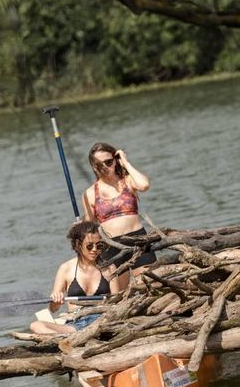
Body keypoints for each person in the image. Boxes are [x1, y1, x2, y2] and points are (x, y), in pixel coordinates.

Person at [81, 142, 158, 287]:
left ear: (115, 160)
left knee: (150, 284)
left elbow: (144, 185)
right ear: (93, 167)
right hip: (111, 246)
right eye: (99, 165)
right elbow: (90, 226)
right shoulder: (90, 193)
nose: (104, 167)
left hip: (138, 239)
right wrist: (81, 227)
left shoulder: (128, 181)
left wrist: (125, 162)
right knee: (120, 293)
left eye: (108, 162)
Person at [29, 221, 111, 335]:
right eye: (89, 246)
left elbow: (118, 301)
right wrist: (56, 301)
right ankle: (67, 339)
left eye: (99, 245)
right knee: (36, 326)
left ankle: (69, 340)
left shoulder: (109, 268)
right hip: (76, 324)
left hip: (103, 320)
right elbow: (53, 309)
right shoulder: (65, 268)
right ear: (78, 244)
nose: (94, 249)